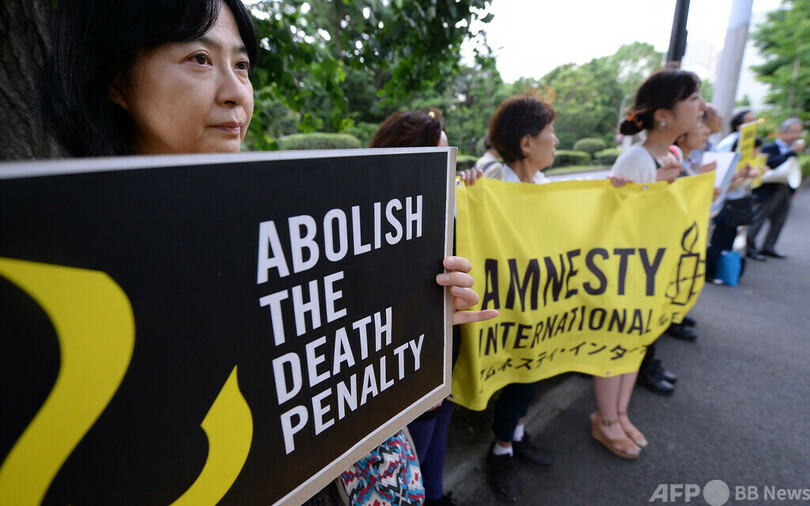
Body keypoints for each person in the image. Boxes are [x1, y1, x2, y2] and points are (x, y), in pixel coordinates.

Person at [37, 2, 495, 504]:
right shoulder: (72, 277)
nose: (236, 93)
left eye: (241, 65)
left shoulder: (304, 218)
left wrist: (417, 330)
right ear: (115, 79)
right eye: (199, 59)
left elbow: (357, 389)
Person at [460, 94, 558, 503]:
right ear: (527, 143)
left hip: (540, 300)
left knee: (534, 370)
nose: (557, 140)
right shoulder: (492, 186)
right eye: (550, 132)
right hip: (507, 303)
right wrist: (468, 189)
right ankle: (501, 450)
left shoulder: (547, 188)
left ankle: (516, 434)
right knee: (519, 373)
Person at [607, 68, 705, 450]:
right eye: (693, 98)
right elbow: (613, 226)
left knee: (637, 344)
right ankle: (606, 419)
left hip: (654, 273)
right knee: (617, 347)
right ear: (663, 114)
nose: (701, 106)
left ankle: (621, 414)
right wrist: (655, 192)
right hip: (628, 277)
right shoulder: (635, 158)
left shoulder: (674, 155)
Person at [368, 108, 462, 506]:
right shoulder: (371, 220)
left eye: (450, 156)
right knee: (413, 462)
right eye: (438, 156)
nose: (448, 167)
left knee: (439, 434)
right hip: (412, 366)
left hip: (444, 349)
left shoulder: (446, 201)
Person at [747, 118, 805, 259]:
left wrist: (793, 191)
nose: (796, 135)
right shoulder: (770, 148)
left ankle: (769, 247)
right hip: (768, 190)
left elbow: (792, 171)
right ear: (782, 132)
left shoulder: (792, 150)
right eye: (793, 131)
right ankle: (749, 248)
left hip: (784, 190)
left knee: (779, 220)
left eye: (798, 132)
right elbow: (770, 164)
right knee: (758, 219)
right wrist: (791, 153)